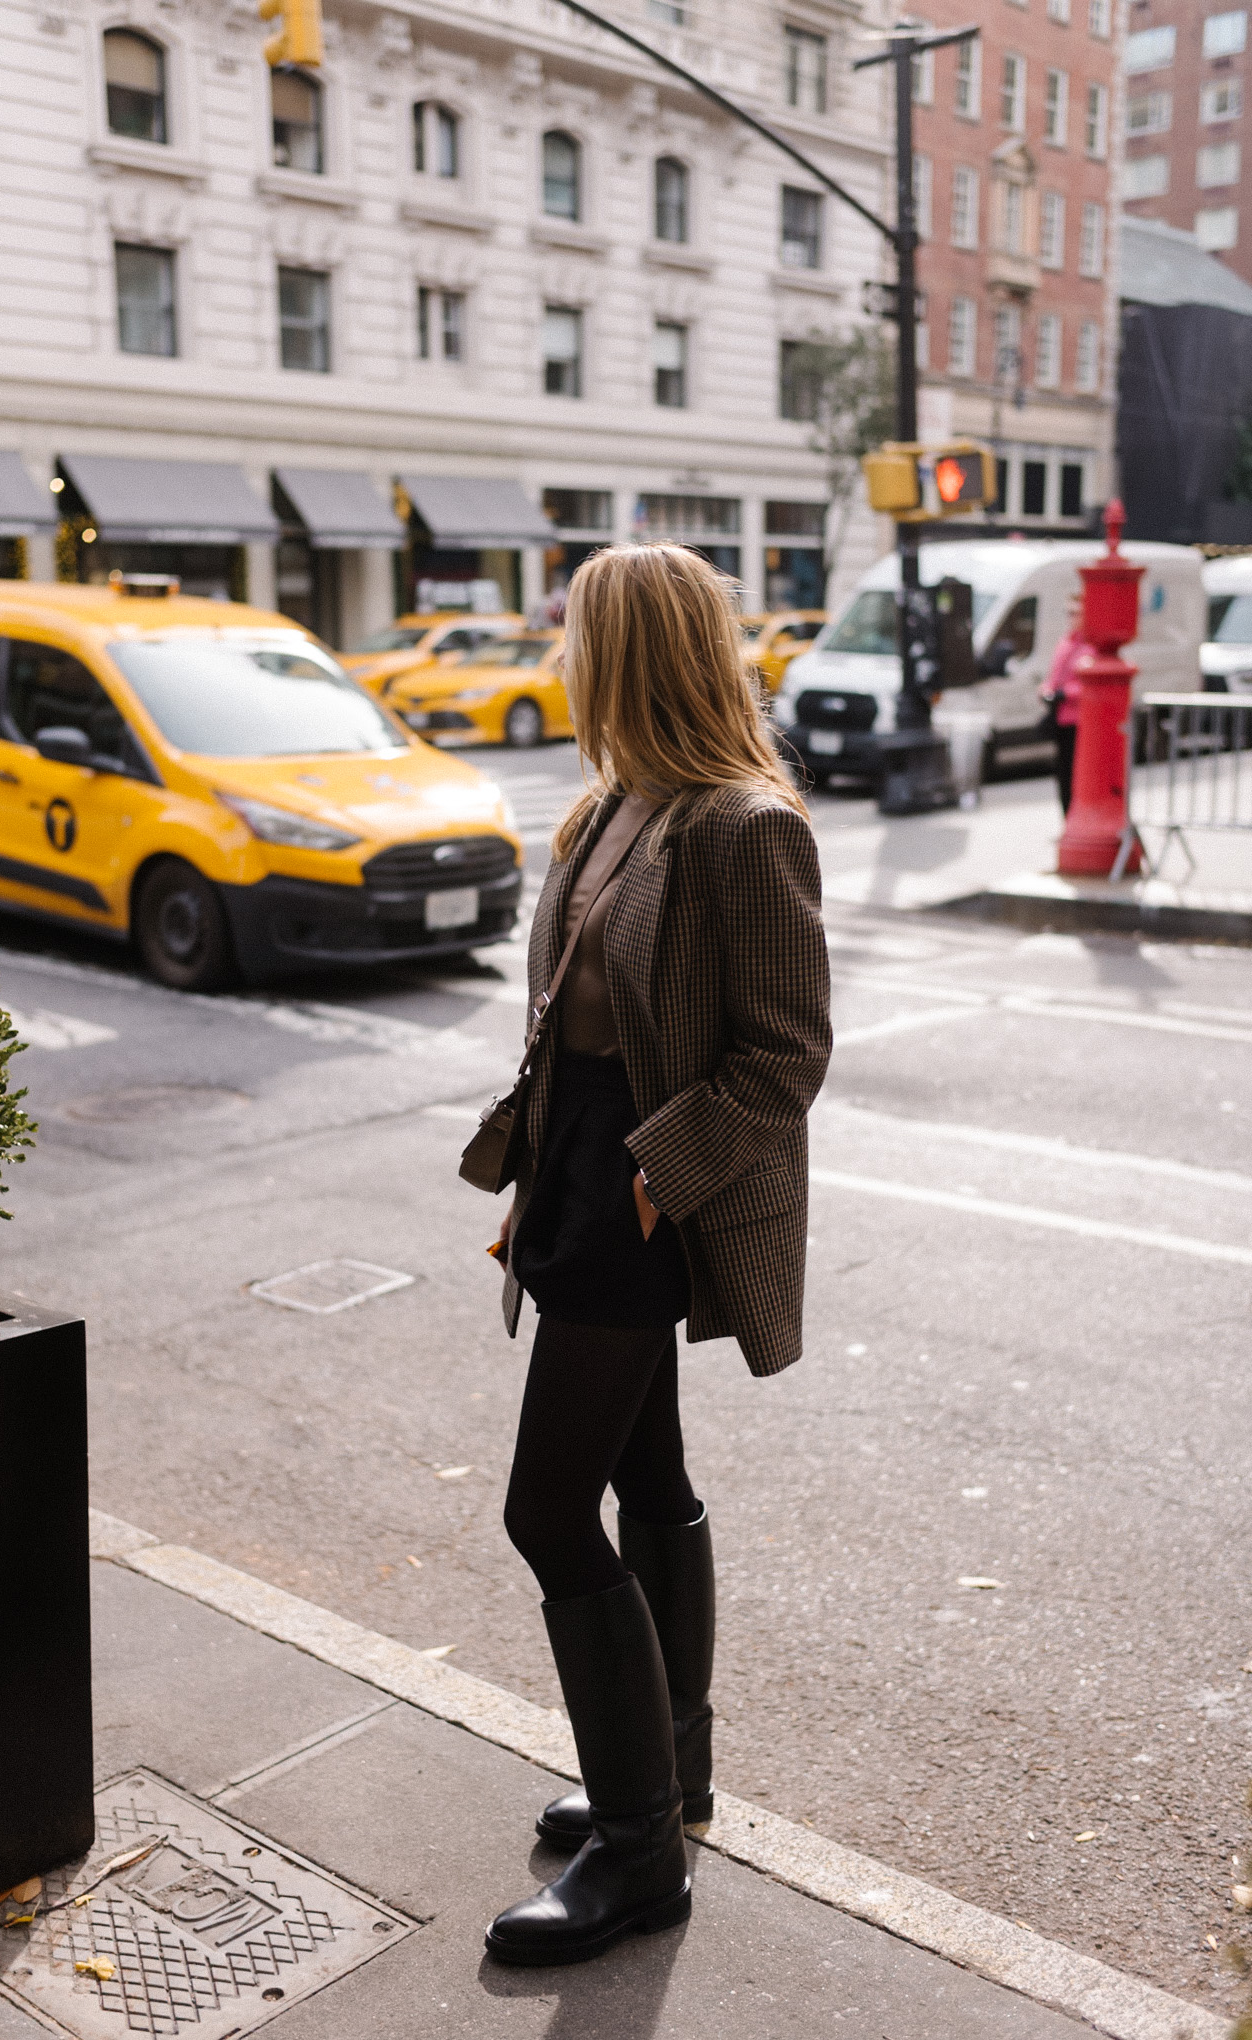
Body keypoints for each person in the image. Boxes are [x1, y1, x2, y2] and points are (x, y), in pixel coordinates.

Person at [482, 543, 832, 1968]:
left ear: (634, 652)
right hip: (583, 1175)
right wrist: (539, 1170)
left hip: (648, 1188)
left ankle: (638, 1862)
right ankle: (669, 1778)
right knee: (649, 1477)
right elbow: (569, 1017)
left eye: (581, 637)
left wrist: (643, 1179)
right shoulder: (610, 807)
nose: (564, 656)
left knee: (544, 1514)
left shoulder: (744, 826)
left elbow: (786, 1057)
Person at [1041, 595, 1089, 815]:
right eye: (1068, 612)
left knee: (1078, 773)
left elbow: (1090, 683)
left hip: (1079, 720)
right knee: (1063, 774)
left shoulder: (1090, 646)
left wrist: (1064, 693)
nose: (1070, 618)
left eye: (1075, 613)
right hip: (1061, 718)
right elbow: (1054, 676)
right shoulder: (1065, 642)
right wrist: (1047, 690)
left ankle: (1076, 817)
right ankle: (1067, 818)